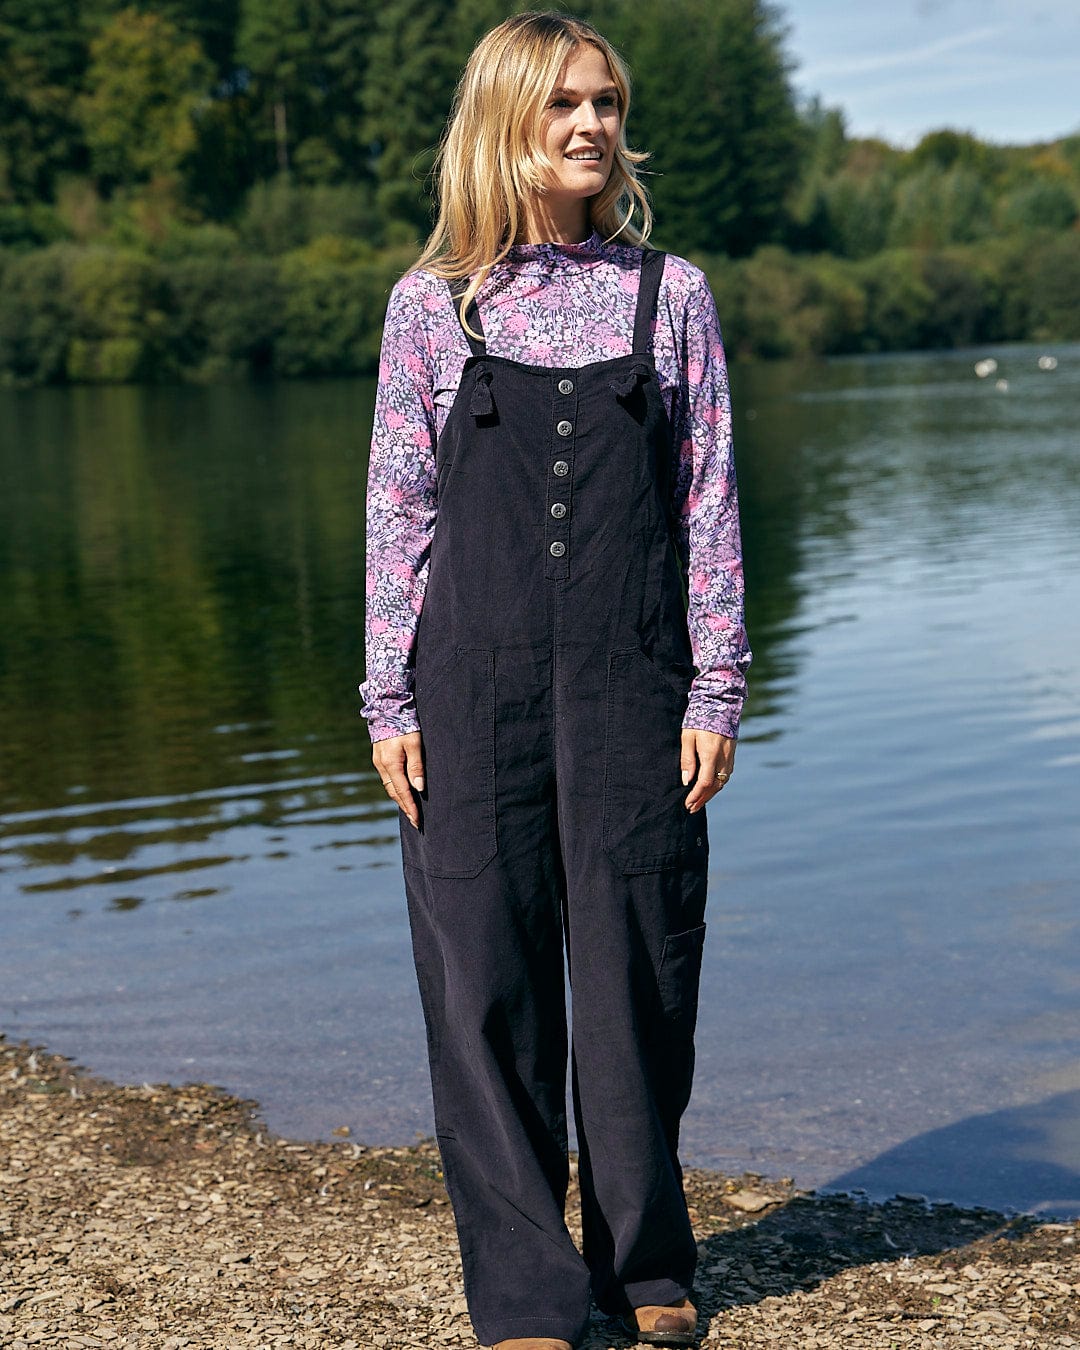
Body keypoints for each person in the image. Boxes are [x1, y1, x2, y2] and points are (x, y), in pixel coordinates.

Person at [359, 12, 751, 1349]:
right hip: (467, 694)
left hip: (636, 689)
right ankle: (525, 1286)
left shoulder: (673, 295)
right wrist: (386, 700)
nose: (591, 125)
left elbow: (709, 505)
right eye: (561, 104)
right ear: (505, 123)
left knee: (639, 974)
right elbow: (398, 514)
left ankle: (641, 1256)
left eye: (605, 102)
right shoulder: (434, 308)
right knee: (489, 984)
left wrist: (718, 687)